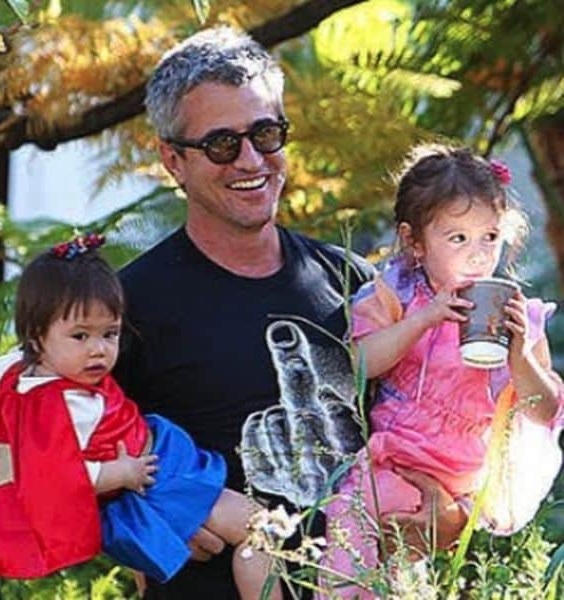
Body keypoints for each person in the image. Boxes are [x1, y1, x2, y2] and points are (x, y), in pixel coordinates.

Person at [114, 27, 468, 598]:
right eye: (222, 144)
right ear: (173, 160)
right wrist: (144, 512)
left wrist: (447, 515)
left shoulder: (354, 281)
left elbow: (430, 423)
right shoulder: (127, 306)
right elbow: (56, 457)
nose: (251, 159)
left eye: (266, 133)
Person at [322, 144, 564, 598]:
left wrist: (520, 356)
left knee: (408, 573)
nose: (478, 255)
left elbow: (545, 408)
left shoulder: (520, 315)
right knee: (350, 543)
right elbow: (358, 364)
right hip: (392, 459)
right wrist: (423, 319)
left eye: (489, 238)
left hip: (464, 479)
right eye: (458, 239)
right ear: (414, 242)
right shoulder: (397, 295)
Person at [0, 234, 283, 600]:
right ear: (37, 337)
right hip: (159, 478)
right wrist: (121, 474)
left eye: (109, 333)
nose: (98, 350)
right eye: (80, 336)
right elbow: (54, 474)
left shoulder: (26, 371)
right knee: (264, 528)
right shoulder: (62, 405)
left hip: (160, 464)